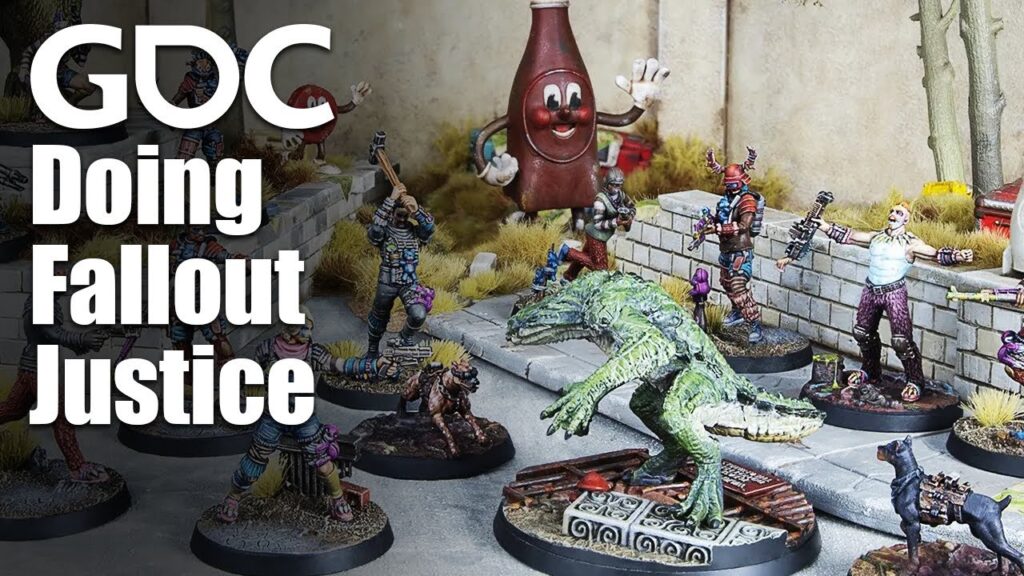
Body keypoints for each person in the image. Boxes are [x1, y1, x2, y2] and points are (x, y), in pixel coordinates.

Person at [219, 308, 397, 523]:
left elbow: (341, 365)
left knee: (323, 462)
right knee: (254, 461)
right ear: (289, 327)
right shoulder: (267, 349)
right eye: (303, 327)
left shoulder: (313, 353)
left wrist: (373, 365)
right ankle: (233, 497)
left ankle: (337, 498)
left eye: (309, 328)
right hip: (272, 417)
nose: (308, 332)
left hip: (303, 419)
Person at [788, 202, 973, 401]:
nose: (893, 215)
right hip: (871, 290)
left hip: (894, 293)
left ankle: (915, 380)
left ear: (906, 219)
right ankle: (870, 371)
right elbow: (850, 236)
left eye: (899, 213)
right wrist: (824, 226)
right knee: (862, 332)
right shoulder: (877, 237)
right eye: (892, 211)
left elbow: (935, 254)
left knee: (902, 341)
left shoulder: (910, 243)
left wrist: (957, 255)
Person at [0, 295, 109, 483]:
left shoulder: (47, 302)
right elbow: (52, 333)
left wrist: (82, 344)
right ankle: (78, 468)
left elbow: (49, 337)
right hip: (39, 370)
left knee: (14, 409)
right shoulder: (41, 303)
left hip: (32, 367)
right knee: (61, 417)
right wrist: (82, 338)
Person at [365, 184, 436, 358]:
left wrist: (417, 210)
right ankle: (372, 350)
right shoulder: (385, 231)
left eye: (406, 215)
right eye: (399, 215)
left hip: (409, 282)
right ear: (391, 213)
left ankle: (404, 339)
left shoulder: (414, 232)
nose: (403, 219)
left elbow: (429, 228)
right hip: (387, 282)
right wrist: (390, 199)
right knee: (378, 317)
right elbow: (375, 230)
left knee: (418, 314)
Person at [562, 168, 636, 281]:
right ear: (608, 183)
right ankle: (568, 252)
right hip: (596, 235)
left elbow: (632, 207)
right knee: (600, 268)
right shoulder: (600, 201)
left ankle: (569, 276)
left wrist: (629, 215)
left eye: (619, 185)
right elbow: (598, 224)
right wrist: (616, 222)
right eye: (614, 185)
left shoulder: (621, 195)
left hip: (603, 235)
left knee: (585, 255)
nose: (617, 188)